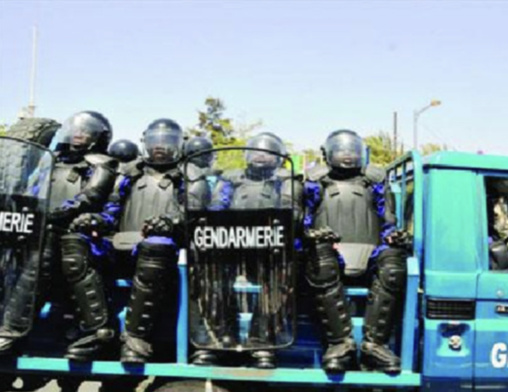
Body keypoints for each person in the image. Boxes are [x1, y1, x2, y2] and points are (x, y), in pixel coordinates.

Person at [69, 118, 210, 363]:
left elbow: (195, 214)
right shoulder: (128, 172)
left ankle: (136, 338)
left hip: (165, 252)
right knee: (75, 242)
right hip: (120, 244)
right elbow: (111, 210)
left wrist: (171, 223)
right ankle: (96, 330)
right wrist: (95, 221)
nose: (160, 148)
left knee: (157, 244)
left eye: (166, 143)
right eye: (155, 142)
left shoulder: (191, 175)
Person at [0, 111, 117, 356]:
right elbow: (32, 191)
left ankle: (12, 330)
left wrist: (55, 214)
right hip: (39, 226)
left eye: (86, 131)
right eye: (76, 129)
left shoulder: (101, 163)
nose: (79, 134)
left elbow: (90, 196)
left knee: (47, 245)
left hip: (77, 229)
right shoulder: (51, 161)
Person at [190, 132, 300, 369]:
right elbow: (217, 206)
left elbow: (292, 209)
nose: (260, 155)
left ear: (278, 158)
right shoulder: (231, 180)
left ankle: (263, 341)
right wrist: (211, 222)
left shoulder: (285, 181)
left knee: (274, 280)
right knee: (213, 276)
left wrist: (279, 226)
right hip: (233, 242)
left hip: (270, 245)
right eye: (256, 151)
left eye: (267, 152)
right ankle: (218, 337)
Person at [303, 129, 409, 374]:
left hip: (370, 250)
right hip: (328, 250)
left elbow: (387, 221)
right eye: (342, 150)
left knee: (394, 263)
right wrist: (311, 235)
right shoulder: (314, 181)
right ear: (328, 153)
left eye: (352, 150)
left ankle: (375, 345)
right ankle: (340, 344)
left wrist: (393, 236)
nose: (347, 155)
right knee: (320, 262)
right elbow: (304, 221)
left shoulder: (374, 180)